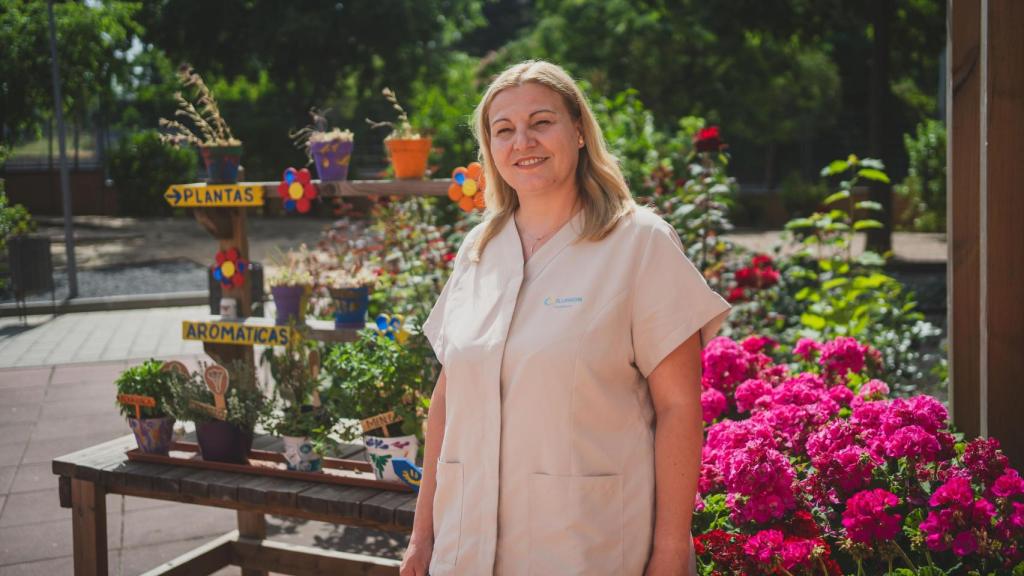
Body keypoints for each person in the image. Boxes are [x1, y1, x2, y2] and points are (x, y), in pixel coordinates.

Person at [400, 60, 731, 576]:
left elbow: (679, 408)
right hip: (464, 549)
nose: (522, 141)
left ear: (578, 130)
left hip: (588, 545)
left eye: (541, 121)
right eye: (503, 130)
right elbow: (447, 399)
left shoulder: (639, 243)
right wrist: (422, 538)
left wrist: (669, 552)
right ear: (490, 149)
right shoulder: (478, 250)